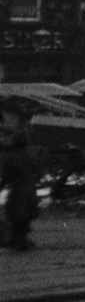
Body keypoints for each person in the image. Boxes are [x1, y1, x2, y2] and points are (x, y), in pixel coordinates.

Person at [2, 97, 39, 250]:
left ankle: (17, 238)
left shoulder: (17, 148)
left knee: (19, 211)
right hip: (22, 186)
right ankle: (18, 238)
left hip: (20, 186)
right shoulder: (20, 147)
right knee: (20, 211)